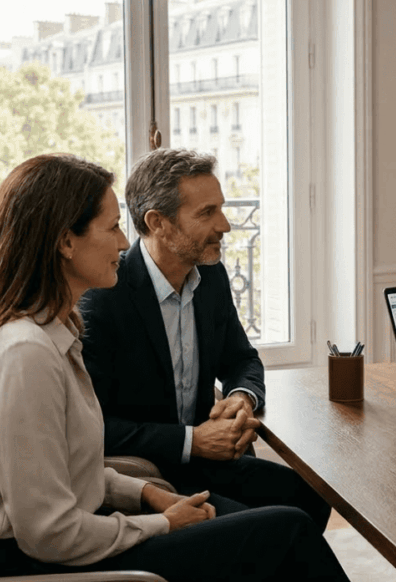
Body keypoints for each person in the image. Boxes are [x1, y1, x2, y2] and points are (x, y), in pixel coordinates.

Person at [0, 154, 357, 582]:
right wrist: (160, 523)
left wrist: (144, 495)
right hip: (15, 567)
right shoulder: (23, 354)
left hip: (51, 542)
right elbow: (48, 533)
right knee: (284, 532)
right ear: (65, 242)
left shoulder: (48, 333)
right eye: (113, 226)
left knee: (289, 517)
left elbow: (63, 468)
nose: (123, 242)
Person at [78, 148, 331, 529]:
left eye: (221, 208)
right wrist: (192, 441)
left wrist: (240, 398)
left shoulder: (210, 277)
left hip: (206, 461)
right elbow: (95, 427)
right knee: (274, 529)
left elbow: (242, 360)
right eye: (206, 213)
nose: (225, 225)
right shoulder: (103, 297)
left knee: (311, 497)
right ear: (158, 222)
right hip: (144, 474)